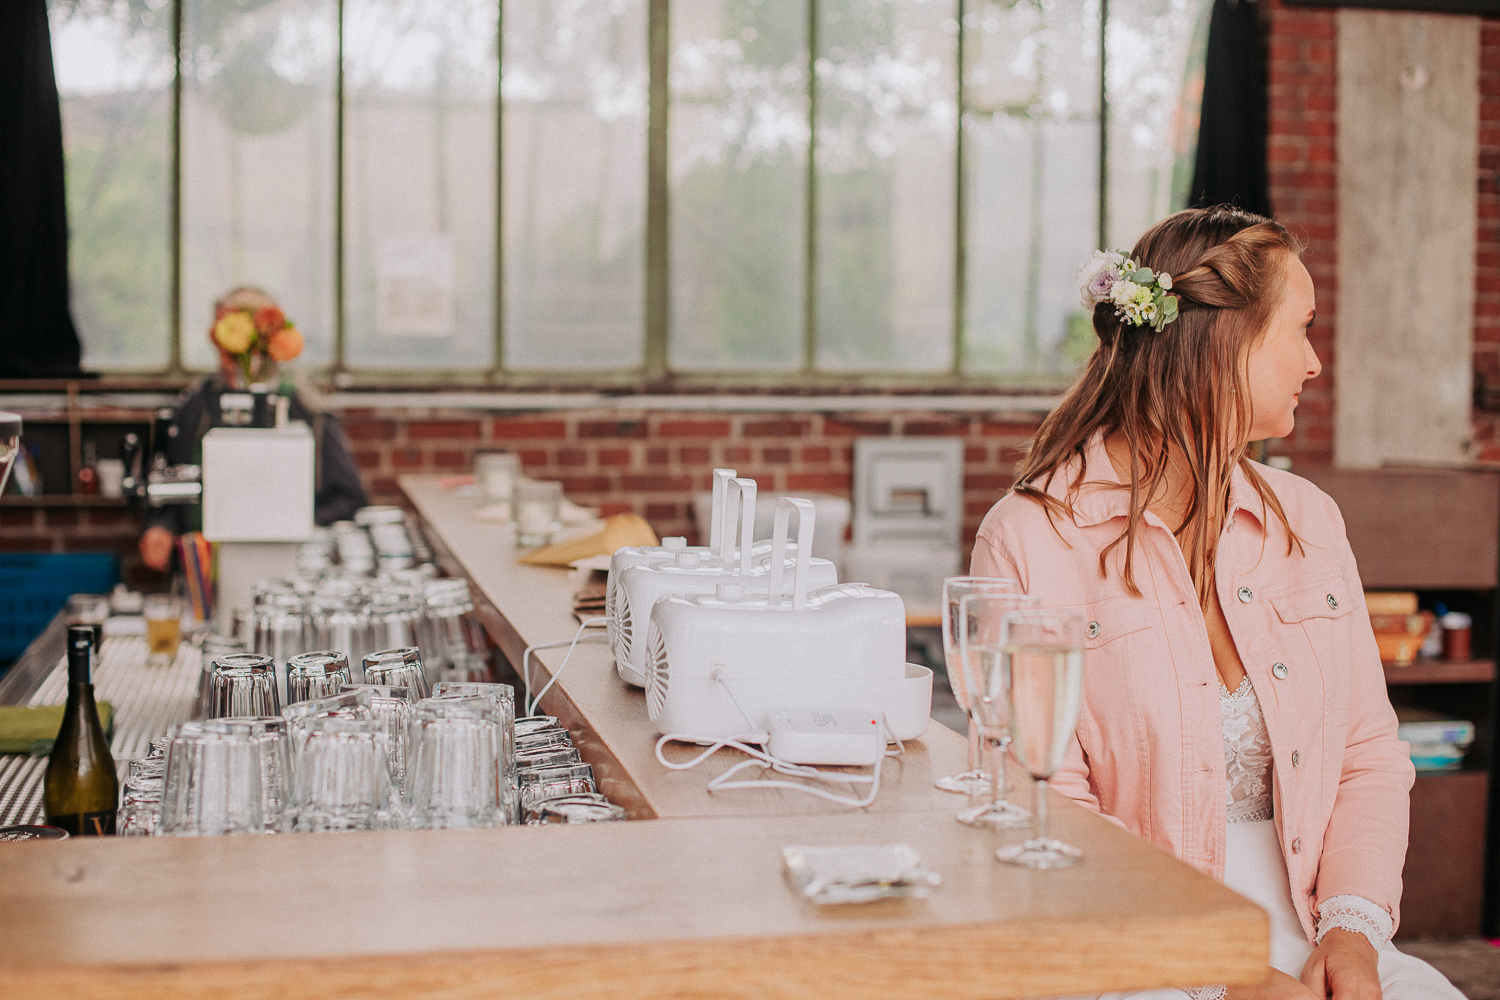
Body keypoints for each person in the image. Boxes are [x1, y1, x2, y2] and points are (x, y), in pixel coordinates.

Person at [971, 207, 1462, 1000]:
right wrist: (1223, 975)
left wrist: (1352, 934)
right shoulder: (1029, 538)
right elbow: (1040, 801)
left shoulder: (1309, 519)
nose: (1315, 364)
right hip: (1132, 943)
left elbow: (1367, 753)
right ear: (1226, 342)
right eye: (1302, 329)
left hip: (1315, 924)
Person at [138, 287, 366, 572]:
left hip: (288, 566)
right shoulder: (196, 406)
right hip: (205, 567)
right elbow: (169, 481)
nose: (240, 354)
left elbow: (349, 498)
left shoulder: (307, 408)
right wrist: (160, 526)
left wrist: (300, 525)